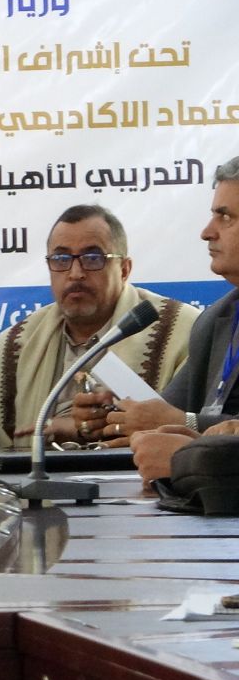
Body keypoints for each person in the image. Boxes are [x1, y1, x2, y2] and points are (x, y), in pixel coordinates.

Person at [0, 205, 197, 448]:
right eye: (61, 259)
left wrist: (96, 428)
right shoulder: (14, 346)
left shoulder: (183, 332)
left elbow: (190, 431)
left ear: (124, 270)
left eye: (92, 258)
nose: (75, 273)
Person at [129, 157, 239, 481]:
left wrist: (189, 444)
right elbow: (163, 420)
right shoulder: (216, 319)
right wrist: (112, 418)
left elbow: (180, 421)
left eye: (225, 217)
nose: (207, 233)